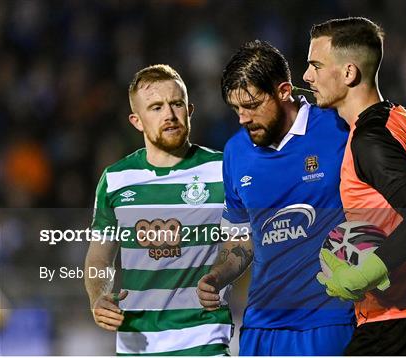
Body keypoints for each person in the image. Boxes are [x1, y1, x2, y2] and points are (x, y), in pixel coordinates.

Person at [196, 40, 355, 355]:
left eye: (252, 106)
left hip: (328, 322)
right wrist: (217, 275)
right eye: (236, 109)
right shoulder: (235, 153)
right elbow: (240, 240)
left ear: (284, 91)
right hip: (260, 327)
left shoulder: (339, 126)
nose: (243, 118)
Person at [303, 17, 406, 355]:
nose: (307, 76)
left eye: (315, 65)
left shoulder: (370, 140)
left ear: (349, 73)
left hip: (397, 321)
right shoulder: (401, 118)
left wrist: (362, 275)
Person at [84, 64, 232, 356]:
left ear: (190, 109)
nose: (170, 114)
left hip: (204, 338)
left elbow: (243, 239)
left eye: (176, 104)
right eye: (156, 107)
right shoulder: (115, 179)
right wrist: (98, 297)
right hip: (137, 342)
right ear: (136, 121)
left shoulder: (222, 169)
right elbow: (99, 255)